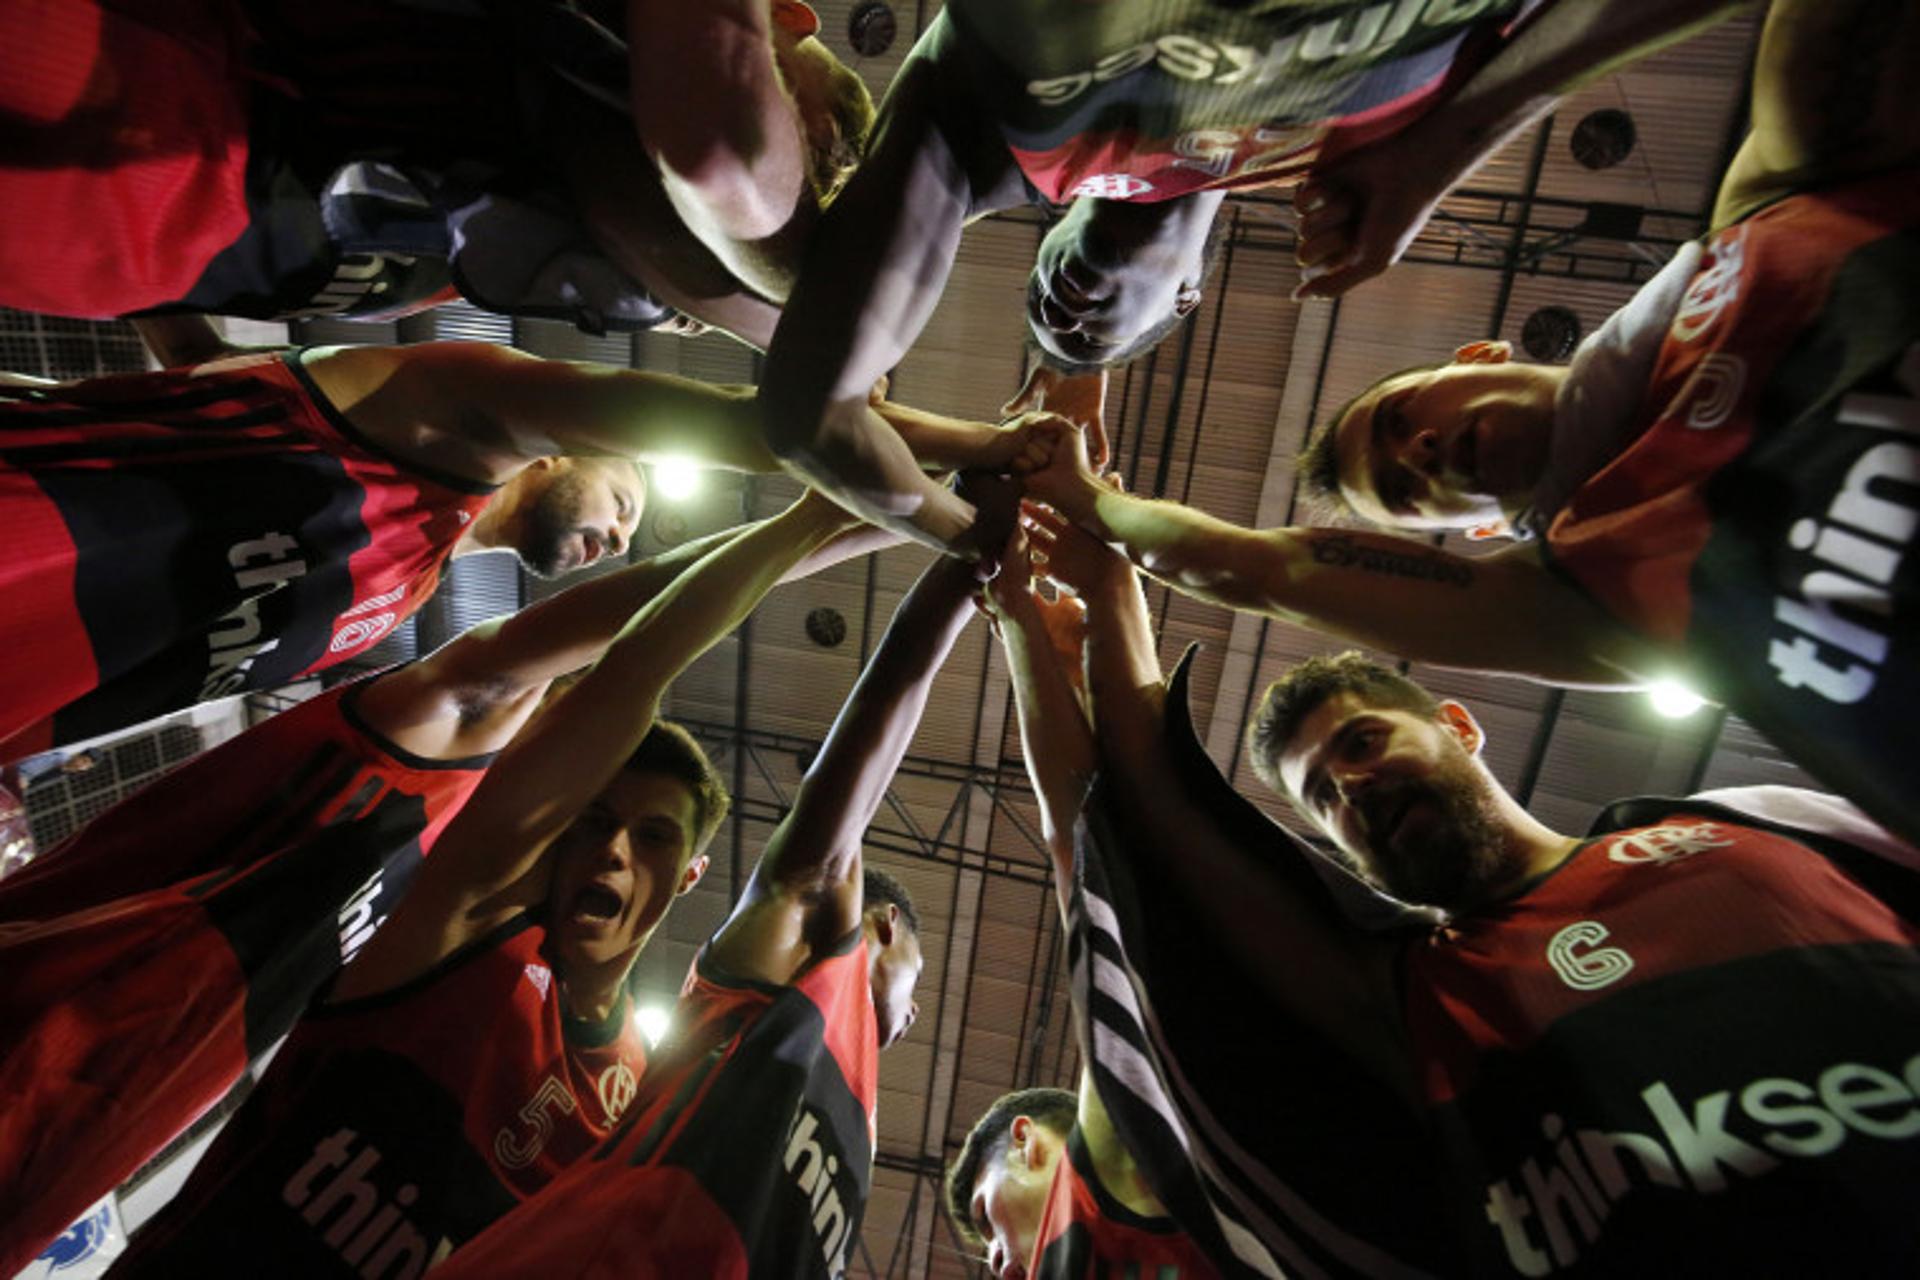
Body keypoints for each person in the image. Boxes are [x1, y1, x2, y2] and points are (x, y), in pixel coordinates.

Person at [1022, 0, 1920, 841]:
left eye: (1400, 420)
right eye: (1407, 492)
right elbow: (1256, 568)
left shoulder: (1776, 214)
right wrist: (1086, 499)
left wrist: (1451, 135)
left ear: (1479, 357)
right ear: (1480, 529)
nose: (1419, 452)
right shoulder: (1583, 599)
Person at [1044, 479, 1920, 1276]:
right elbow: (1166, 823)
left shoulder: (1753, 820)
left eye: (1362, 741)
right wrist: (1110, 587)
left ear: (1460, 726)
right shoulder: (1416, 995)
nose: (1350, 786)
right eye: (1322, 798)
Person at [0, 491, 864, 1274]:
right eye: (593, 823)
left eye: (651, 839)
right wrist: (817, 517)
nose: (611, 856)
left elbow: (811, 877)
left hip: (88, 1118)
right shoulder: (464, 915)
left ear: (690, 878)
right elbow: (633, 669)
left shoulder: (636, 1093)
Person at [750, 0, 1758, 555]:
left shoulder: (993, 130)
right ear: (1189, 296)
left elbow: (807, 416)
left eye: (1044, 300)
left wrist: (966, 533)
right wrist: (1455, 137)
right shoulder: (1380, 140)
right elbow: (813, 415)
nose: (1066, 307)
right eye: (1091, 332)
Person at [426, 513, 1006, 1277]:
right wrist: (968, 568)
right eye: (920, 977)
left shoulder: (854, 1124)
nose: (917, 1009)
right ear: (884, 927)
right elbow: (870, 735)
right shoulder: (808, 960)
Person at [0, 331, 1014, 758]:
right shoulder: (444, 409)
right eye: (624, 494)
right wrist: (979, 455)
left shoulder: (394, 603)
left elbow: (666, 599)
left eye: (625, 533)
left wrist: (883, 532)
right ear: (576, 443)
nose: (617, 535)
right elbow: (765, 425)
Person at [0, 0, 868, 335]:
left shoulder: (549, 229)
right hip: (145, 89)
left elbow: (718, 182)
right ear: (786, 17)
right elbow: (723, 147)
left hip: (153, 181)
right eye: (806, 135)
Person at [946, 531, 1218, 1279]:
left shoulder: (1101, 1201)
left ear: (1030, 1142)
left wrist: (1015, 612)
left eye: (984, 1224)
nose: (997, 1265)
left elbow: (1084, 848)